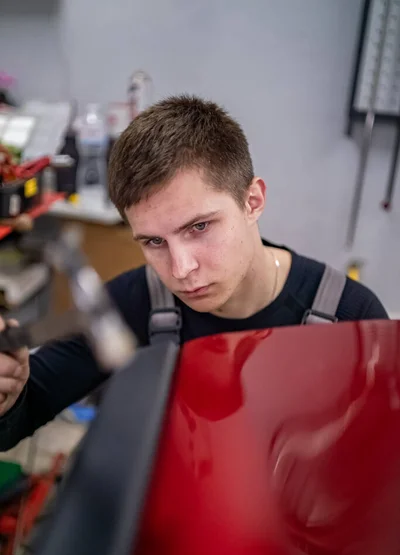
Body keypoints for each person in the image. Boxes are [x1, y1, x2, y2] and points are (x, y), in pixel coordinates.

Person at [0, 95, 388, 451]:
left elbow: (376, 473)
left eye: (199, 227)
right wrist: (9, 394)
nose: (182, 269)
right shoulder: (134, 302)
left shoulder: (350, 318)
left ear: (252, 201)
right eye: (153, 242)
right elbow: (24, 411)